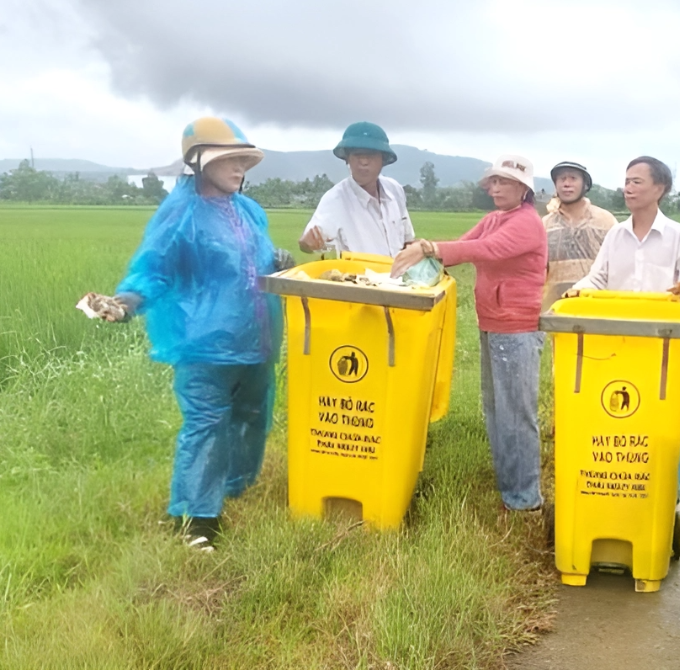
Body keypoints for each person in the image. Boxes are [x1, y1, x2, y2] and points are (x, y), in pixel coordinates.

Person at [84, 117, 290, 552]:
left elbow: (259, 261)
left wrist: (280, 260)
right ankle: (195, 519)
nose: (239, 168)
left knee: (253, 417)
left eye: (241, 159)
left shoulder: (249, 210)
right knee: (207, 423)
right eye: (228, 159)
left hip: (257, 339)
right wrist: (125, 302)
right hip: (205, 344)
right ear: (200, 162)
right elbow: (153, 267)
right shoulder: (181, 214)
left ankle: (232, 486)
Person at [390, 155, 547, 512]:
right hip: (492, 322)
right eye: (492, 182)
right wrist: (419, 256)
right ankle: (510, 488)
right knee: (496, 410)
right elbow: (461, 247)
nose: (494, 188)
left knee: (516, 413)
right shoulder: (494, 219)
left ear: (522, 188)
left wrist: (430, 248)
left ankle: (525, 498)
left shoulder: (527, 223)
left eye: (503, 182)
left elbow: (486, 250)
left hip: (518, 328)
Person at [573, 156, 680, 305]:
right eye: (627, 182)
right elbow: (598, 279)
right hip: (620, 321)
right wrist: (576, 291)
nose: (628, 189)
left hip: (664, 322)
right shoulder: (615, 234)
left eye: (636, 182)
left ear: (659, 189)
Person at [298, 121, 414, 256]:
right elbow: (309, 242)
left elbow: (408, 240)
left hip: (398, 275)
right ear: (347, 159)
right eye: (358, 155)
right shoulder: (335, 199)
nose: (363, 162)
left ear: (383, 159)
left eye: (370, 155)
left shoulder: (395, 191)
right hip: (358, 275)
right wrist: (307, 244)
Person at [540, 161, 618, 311]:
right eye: (562, 179)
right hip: (555, 309)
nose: (566, 184)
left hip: (597, 306)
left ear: (585, 185)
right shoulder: (545, 224)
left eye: (573, 179)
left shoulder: (605, 221)